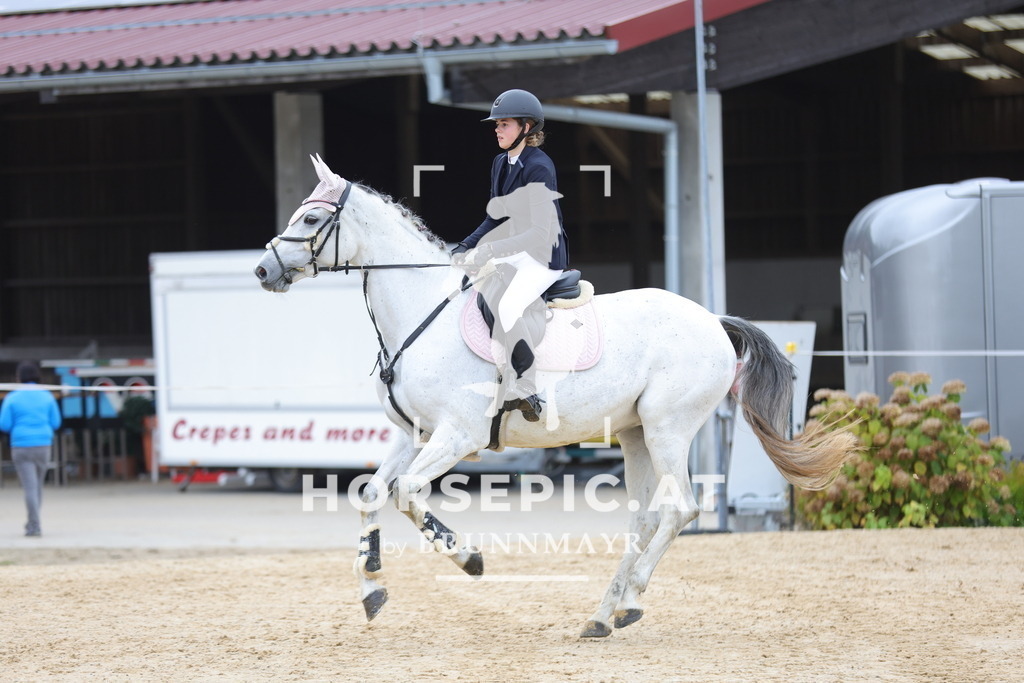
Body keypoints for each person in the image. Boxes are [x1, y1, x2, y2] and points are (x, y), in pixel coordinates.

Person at [452, 88, 568, 422]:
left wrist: (489, 249)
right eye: (497, 124)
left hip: (544, 254)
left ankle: (528, 388)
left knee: (508, 304)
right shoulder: (500, 163)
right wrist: (466, 245)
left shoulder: (540, 168)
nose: (497, 130)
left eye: (504, 124)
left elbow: (539, 233)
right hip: (516, 249)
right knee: (477, 291)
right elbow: (494, 216)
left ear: (526, 127)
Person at [0, 361, 61, 537]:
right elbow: (56, 422)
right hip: (43, 444)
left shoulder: (12, 397)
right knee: (38, 486)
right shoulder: (47, 396)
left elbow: (4, 424)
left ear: (18, 378)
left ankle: (34, 525)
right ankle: (34, 522)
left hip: (21, 445)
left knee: (29, 487)